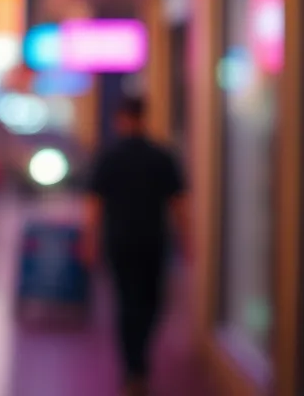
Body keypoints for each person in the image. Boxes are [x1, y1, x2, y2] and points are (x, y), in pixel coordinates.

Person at [82, 96, 190, 396]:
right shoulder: (162, 156)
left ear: (120, 119)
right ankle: (136, 366)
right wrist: (186, 240)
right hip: (153, 242)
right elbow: (179, 205)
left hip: (120, 242)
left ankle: (134, 366)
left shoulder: (110, 157)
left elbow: (93, 207)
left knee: (127, 303)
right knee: (151, 303)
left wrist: (89, 242)